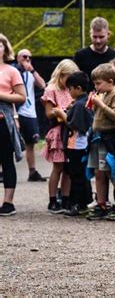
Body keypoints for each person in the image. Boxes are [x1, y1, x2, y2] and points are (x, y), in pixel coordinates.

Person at [86, 64, 115, 221]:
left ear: (110, 81)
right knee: (99, 172)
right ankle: (101, 203)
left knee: (113, 171)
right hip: (98, 138)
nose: (96, 87)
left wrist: (101, 105)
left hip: (110, 139)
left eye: (98, 83)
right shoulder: (102, 94)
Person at [41, 59, 78, 214]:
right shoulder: (51, 90)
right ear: (60, 74)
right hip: (58, 131)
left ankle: (66, 197)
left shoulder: (71, 90)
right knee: (58, 167)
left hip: (70, 131)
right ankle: (52, 200)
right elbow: (49, 113)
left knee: (68, 168)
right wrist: (61, 111)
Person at [56, 71, 94, 216]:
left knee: (77, 175)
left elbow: (75, 125)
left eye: (70, 89)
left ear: (78, 88)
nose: (69, 92)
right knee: (80, 174)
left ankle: (78, 204)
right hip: (80, 144)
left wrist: (63, 115)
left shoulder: (79, 104)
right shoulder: (85, 101)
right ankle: (83, 202)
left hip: (76, 144)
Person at [0, 33, 26, 216]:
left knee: (6, 160)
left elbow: (22, 97)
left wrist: (1, 96)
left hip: (3, 121)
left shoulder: (12, 71)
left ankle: (8, 202)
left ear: (5, 49)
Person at [14, 49, 47, 182]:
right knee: (8, 142)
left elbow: (43, 85)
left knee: (31, 143)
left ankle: (32, 172)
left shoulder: (31, 73)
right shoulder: (13, 71)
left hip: (30, 112)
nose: (27, 59)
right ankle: (3, 170)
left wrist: (32, 70)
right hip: (17, 110)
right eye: (24, 57)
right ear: (18, 58)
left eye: (30, 57)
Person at [74, 17, 115, 92]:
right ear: (90, 34)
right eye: (94, 37)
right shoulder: (80, 56)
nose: (98, 41)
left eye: (101, 37)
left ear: (108, 34)